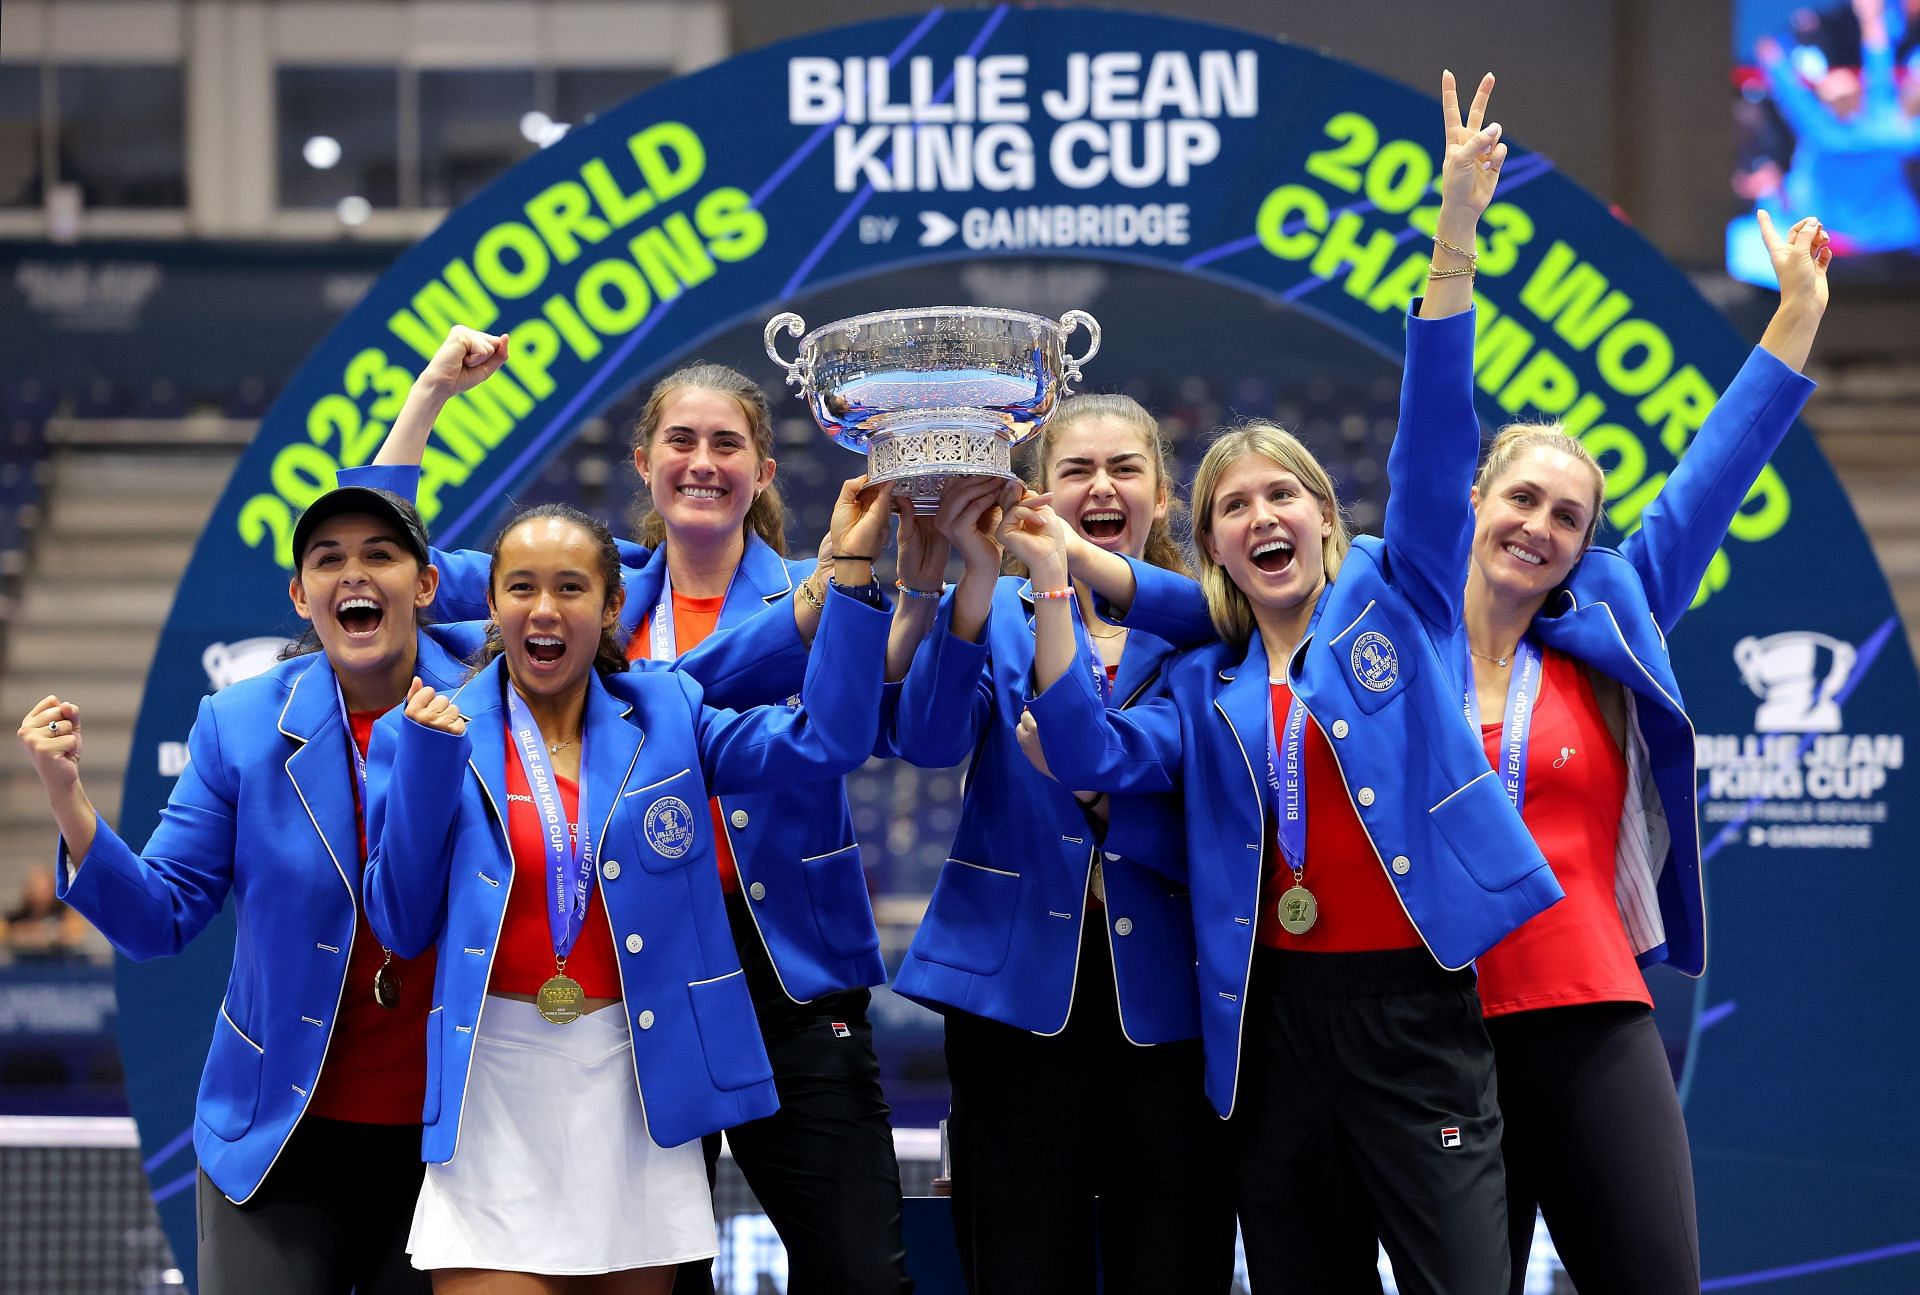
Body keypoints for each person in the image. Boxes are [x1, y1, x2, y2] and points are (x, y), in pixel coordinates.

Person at [1021, 72, 1545, 1294]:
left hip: (1413, 1013)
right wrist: (1051, 580)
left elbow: (1434, 433)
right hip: (1267, 1026)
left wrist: (1454, 235)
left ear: (1328, 517)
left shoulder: (1398, 593)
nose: (1262, 516)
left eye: (1282, 496)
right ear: (1210, 547)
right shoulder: (1202, 681)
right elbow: (1095, 759)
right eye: (1233, 507)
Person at [353, 342, 923, 1293]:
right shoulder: (586, 577)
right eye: (681, 439)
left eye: (727, 443)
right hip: (637, 957)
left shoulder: (801, 589)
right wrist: (428, 397)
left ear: (763, 471)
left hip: (785, 962)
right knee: (662, 1264)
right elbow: (388, 558)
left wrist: (853, 580)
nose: (703, 460)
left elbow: (832, 732)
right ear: (644, 464)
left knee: (857, 1267)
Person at [1463, 209, 1828, 1295]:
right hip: (1436, 1032)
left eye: (1569, 516)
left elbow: (1712, 479)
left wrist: (1797, 312)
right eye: (1521, 497)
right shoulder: (1386, 639)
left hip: (1589, 1014)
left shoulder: (1610, 616)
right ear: (1473, 499)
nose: (1540, 525)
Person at [14, 478, 488, 1295]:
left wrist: (435, 389)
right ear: (302, 597)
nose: (355, 574)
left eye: (381, 554)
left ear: (427, 583)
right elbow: (157, 918)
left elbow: (599, 588)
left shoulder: (499, 694)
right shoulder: (239, 723)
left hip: (453, 1142)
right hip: (277, 1137)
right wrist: (68, 798)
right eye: (328, 559)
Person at [887, 397, 1234, 1293]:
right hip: (1012, 989)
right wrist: (972, 573)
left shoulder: (1210, 630)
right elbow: (927, 739)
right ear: (1041, 494)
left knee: (1173, 1259)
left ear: (1163, 494)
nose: (1102, 487)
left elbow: (1204, 792)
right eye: (1078, 470)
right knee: (1018, 1263)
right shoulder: (995, 609)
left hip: (1169, 993)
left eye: (1126, 468)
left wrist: (1100, 794)